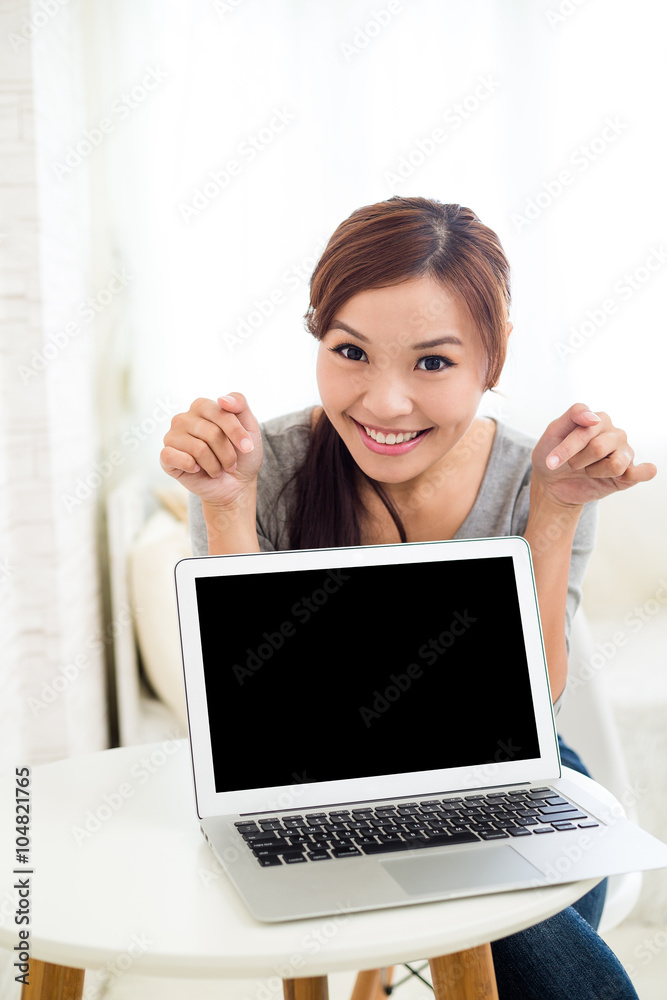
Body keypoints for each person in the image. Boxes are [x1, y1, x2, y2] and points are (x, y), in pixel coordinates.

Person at [161, 196, 655, 999]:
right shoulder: (265, 468)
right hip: (312, 783)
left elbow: (540, 700)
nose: (384, 403)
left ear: (490, 363)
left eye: (431, 363)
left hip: (509, 774)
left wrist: (557, 510)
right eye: (349, 351)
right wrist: (225, 505)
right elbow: (254, 715)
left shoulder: (541, 476)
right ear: (316, 338)